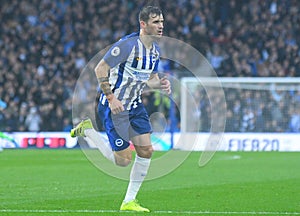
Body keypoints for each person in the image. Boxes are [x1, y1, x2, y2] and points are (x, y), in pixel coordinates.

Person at [70, 5, 171, 212]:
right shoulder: (127, 46)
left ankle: (129, 201)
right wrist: (111, 97)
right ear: (143, 24)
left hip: (134, 105)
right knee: (123, 162)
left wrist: (159, 84)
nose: (161, 26)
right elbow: (100, 68)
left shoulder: (154, 52)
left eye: (161, 21)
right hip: (114, 107)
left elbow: (149, 79)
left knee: (146, 150)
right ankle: (88, 131)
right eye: (156, 22)